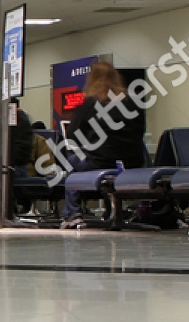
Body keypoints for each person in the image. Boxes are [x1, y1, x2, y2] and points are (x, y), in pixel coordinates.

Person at [60, 61, 146, 228]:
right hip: (133, 163)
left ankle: (73, 213)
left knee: (70, 161)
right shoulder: (131, 102)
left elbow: (72, 135)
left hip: (99, 162)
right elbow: (140, 132)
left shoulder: (90, 103)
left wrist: (90, 144)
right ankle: (113, 211)